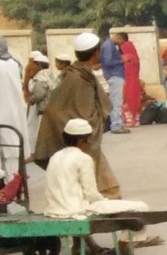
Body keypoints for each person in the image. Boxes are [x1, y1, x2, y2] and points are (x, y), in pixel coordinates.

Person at [44, 118, 163, 255]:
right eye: (88, 140)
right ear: (82, 141)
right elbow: (91, 193)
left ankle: (96, 248)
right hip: (77, 209)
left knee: (109, 205)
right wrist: (105, 202)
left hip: (54, 209)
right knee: (141, 207)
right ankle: (122, 248)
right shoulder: (83, 158)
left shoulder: (55, 157)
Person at [34, 31, 121, 198]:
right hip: (83, 141)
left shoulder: (80, 75)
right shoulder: (78, 79)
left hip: (85, 140)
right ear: (97, 53)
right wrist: (83, 131)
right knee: (99, 188)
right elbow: (78, 112)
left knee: (108, 187)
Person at [0, 35, 28, 188]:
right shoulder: (14, 64)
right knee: (13, 156)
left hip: (4, 116)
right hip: (13, 116)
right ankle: (14, 191)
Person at [23, 51, 56, 159]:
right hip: (49, 107)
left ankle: (35, 154)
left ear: (39, 65)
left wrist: (30, 100)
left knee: (37, 131)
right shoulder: (49, 75)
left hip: (41, 108)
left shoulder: (41, 77)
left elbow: (39, 94)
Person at [98, 24, 129, 135]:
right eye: (122, 42)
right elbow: (107, 62)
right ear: (119, 38)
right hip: (115, 75)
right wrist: (122, 60)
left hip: (116, 75)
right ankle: (115, 125)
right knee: (116, 102)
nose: (121, 45)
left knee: (117, 101)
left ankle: (117, 123)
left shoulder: (110, 46)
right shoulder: (109, 46)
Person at [114, 32, 141, 128]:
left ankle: (130, 120)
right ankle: (135, 119)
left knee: (127, 99)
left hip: (128, 81)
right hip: (134, 81)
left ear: (122, 39)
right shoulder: (133, 55)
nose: (114, 39)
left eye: (116, 38)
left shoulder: (126, 56)